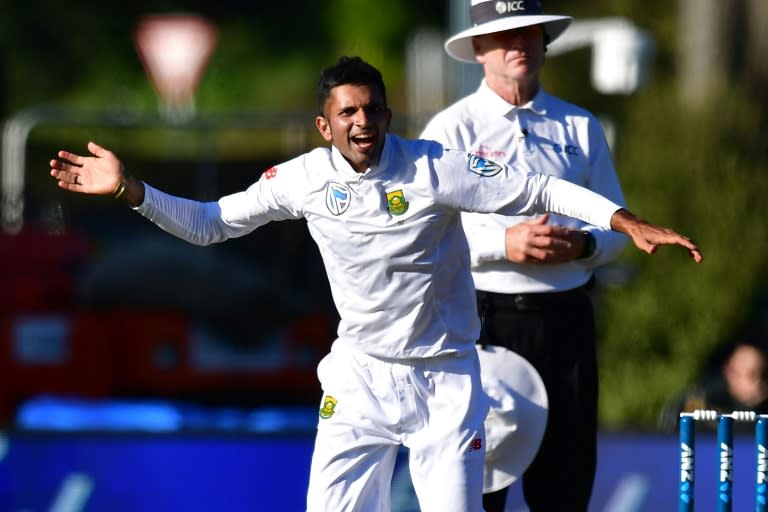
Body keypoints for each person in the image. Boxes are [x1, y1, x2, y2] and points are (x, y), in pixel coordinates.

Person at [50, 56, 701, 512]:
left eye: (373, 110)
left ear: (388, 115)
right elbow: (211, 224)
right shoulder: (302, 179)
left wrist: (623, 220)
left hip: (444, 379)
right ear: (324, 126)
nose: (363, 123)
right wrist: (132, 190)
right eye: (348, 113)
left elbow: (540, 186)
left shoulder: (435, 165)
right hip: (360, 377)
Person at [419, 1, 631, 510]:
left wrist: (581, 244)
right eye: (504, 35)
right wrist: (503, 245)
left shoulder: (580, 127)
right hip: (483, 320)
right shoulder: (450, 130)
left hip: (567, 321)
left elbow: (621, 227)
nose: (520, 44)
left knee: (566, 482)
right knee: (478, 483)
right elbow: (420, 238)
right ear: (477, 48)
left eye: (530, 33)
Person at [659, 337, 768, 433]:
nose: (759, 382)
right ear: (731, 372)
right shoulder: (704, 399)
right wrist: (748, 409)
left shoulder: (763, 405)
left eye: (763, 374)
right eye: (752, 375)